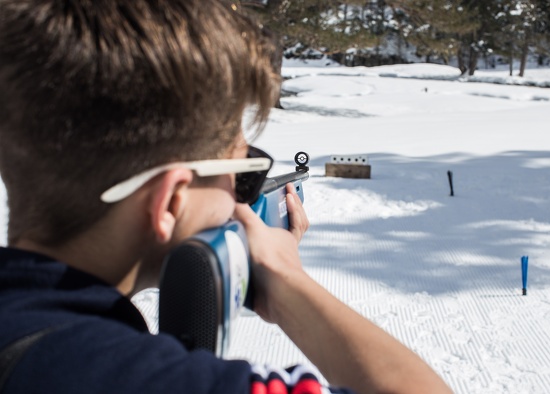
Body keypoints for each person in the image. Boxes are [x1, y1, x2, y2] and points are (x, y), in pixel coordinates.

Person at [0, 1, 453, 393]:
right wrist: (286, 279)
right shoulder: (136, 380)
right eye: (243, 173)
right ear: (172, 201)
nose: (241, 197)